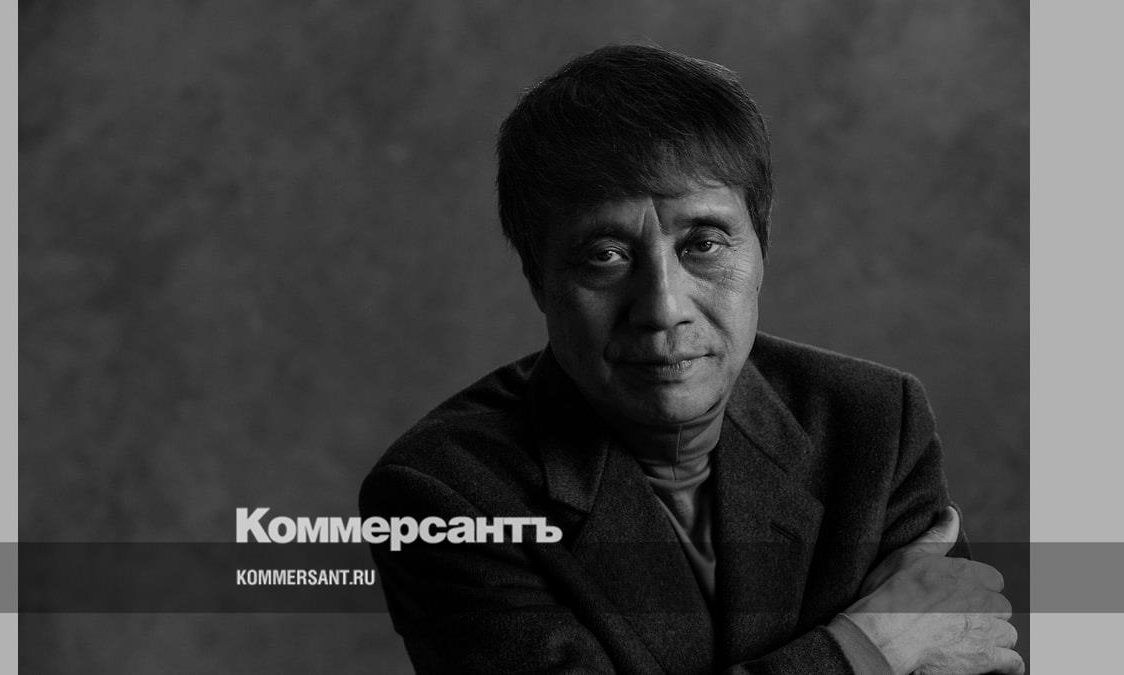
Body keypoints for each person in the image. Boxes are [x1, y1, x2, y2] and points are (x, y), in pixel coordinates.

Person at [359, 44, 1021, 674]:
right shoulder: (445, 494)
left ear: (761, 249)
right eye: (605, 255)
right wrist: (873, 643)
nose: (663, 306)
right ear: (538, 279)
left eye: (703, 243)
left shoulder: (875, 424)